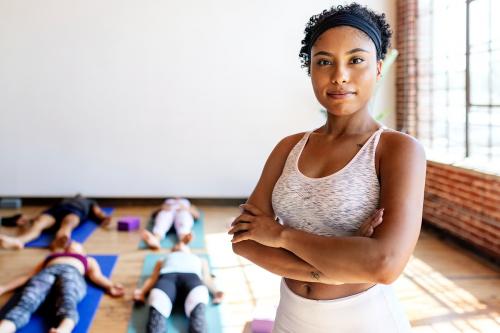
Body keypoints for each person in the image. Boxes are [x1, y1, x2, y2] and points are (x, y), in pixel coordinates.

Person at [228, 3, 426, 332]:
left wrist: (279, 235)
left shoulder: (397, 150)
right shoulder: (289, 147)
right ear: (311, 70)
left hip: (365, 320)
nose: (339, 76)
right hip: (292, 317)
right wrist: (333, 266)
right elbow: (244, 240)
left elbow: (385, 263)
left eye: (356, 60)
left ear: (378, 68)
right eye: (324, 62)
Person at [0, 241, 124, 333]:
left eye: (75, 244)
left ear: (83, 251)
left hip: (71, 273)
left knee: (67, 299)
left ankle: (63, 329)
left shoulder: (87, 259)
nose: (70, 244)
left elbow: (97, 276)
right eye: (68, 245)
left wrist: (110, 285)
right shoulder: (52, 257)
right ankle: (4, 328)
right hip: (47, 273)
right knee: (27, 299)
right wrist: (4, 288)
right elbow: (28, 276)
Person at [133, 242, 223, 333]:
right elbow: (153, 279)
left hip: (192, 281)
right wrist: (142, 292)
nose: (179, 244)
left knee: (198, 322)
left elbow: (206, 278)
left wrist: (216, 292)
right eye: (176, 245)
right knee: (155, 321)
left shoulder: (200, 259)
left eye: (183, 244)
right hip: (166, 280)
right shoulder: (162, 259)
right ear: (172, 250)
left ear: (189, 250)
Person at [0, 195, 112, 250]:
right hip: (54, 212)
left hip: (75, 212)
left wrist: (104, 218)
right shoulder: (64, 200)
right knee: (39, 223)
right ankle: (18, 241)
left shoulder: (89, 201)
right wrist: (30, 219)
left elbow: (98, 213)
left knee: (67, 223)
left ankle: (61, 240)